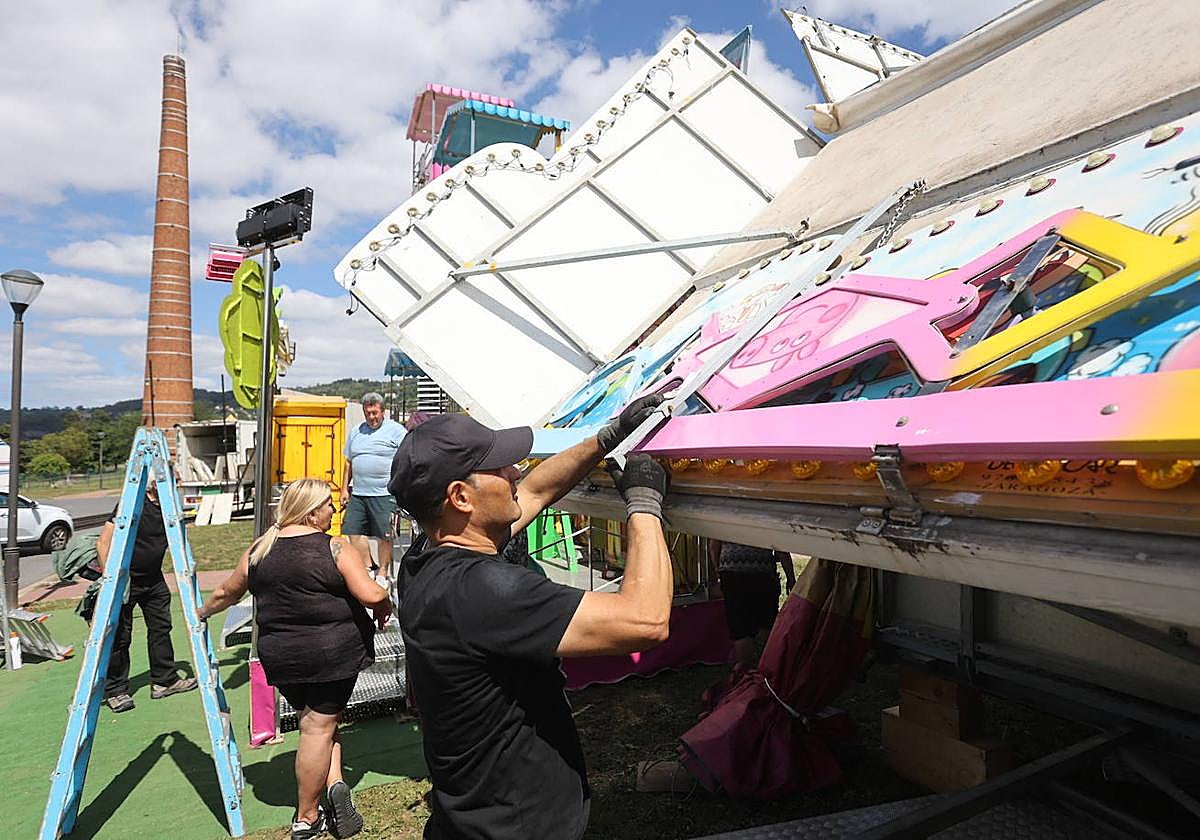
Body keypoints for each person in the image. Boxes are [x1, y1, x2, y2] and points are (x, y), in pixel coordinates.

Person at [390, 396, 671, 840]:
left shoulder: (425, 557)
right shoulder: (482, 591)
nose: (514, 472)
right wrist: (645, 505)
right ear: (460, 497)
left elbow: (536, 492)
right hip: (519, 827)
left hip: (473, 819)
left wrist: (607, 436)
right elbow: (645, 620)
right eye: (500, 468)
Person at [197, 479, 392, 840]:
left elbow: (227, 590)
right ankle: (307, 817)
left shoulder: (259, 548)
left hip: (282, 656)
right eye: (329, 505)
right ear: (312, 511)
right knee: (317, 728)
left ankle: (335, 783)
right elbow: (370, 592)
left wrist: (201, 612)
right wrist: (385, 604)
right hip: (331, 654)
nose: (334, 511)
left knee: (316, 721)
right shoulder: (335, 547)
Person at [97, 481, 198, 714]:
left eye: (175, 479)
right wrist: (109, 580)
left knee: (161, 627)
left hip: (153, 578)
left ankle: (164, 681)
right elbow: (103, 542)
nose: (174, 483)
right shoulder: (132, 502)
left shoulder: (169, 506)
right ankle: (116, 690)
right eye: (169, 478)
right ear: (153, 481)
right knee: (120, 635)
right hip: (126, 579)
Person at [342, 392, 407, 582]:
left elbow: (406, 458)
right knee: (352, 530)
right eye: (368, 413)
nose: (372, 417)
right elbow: (348, 462)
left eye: (375, 413)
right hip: (359, 492)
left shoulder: (395, 431)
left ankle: (383, 573)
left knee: (384, 534)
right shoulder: (356, 431)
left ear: (383, 411)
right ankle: (369, 565)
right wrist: (344, 489)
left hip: (384, 492)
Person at [708, 539, 795, 668]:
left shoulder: (726, 518)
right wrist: (791, 577)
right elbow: (780, 548)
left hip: (732, 574)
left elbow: (714, 545)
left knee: (740, 628)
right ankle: (766, 668)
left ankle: (744, 672)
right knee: (766, 623)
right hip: (762, 573)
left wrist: (718, 570)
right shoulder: (769, 517)